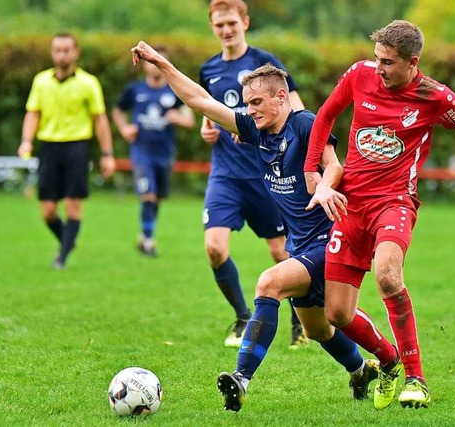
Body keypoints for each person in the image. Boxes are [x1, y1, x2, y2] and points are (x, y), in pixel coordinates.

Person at [130, 42, 391, 412]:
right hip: (300, 244)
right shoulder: (257, 132)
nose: (249, 111)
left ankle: (241, 378)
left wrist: (327, 184)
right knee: (318, 330)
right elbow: (202, 102)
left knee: (269, 283)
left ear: (281, 97)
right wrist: (162, 63)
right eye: (247, 104)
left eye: (256, 103)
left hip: (331, 239)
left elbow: (334, 164)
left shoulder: (303, 123)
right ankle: (362, 369)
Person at [304, 20, 455, 410]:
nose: (379, 68)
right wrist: (312, 170)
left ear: (412, 62)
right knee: (337, 314)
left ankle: (416, 379)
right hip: (349, 204)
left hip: (394, 202)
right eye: (377, 59)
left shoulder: (434, 97)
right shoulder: (359, 75)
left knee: (389, 277)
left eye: (388, 62)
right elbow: (325, 116)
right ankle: (388, 362)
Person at [200, 0, 307, 348]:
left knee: (282, 253)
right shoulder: (209, 69)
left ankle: (300, 323)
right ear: (213, 27)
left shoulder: (265, 64)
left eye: (231, 22)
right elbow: (208, 110)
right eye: (219, 25)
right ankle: (242, 317)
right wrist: (208, 129)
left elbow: (295, 110)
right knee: (214, 248)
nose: (226, 29)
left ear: (244, 21)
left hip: (265, 174)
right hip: (225, 174)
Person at [17, 33, 116, 270]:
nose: (62, 54)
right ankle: (67, 242)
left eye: (66, 50)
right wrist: (26, 141)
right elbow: (33, 113)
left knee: (73, 204)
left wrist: (107, 154)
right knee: (48, 210)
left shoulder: (88, 83)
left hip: (77, 147)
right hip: (48, 147)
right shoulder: (41, 81)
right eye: (57, 50)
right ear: (52, 53)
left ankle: (61, 258)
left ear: (75, 52)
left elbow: (100, 119)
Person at [112, 45, 195, 257]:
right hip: (141, 151)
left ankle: (145, 233)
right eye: (152, 61)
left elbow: (190, 119)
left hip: (164, 152)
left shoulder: (174, 91)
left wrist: (180, 118)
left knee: (156, 198)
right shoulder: (135, 90)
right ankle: (148, 241)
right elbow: (118, 111)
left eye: (159, 61)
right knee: (147, 195)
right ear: (145, 64)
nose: (155, 66)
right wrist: (124, 129)